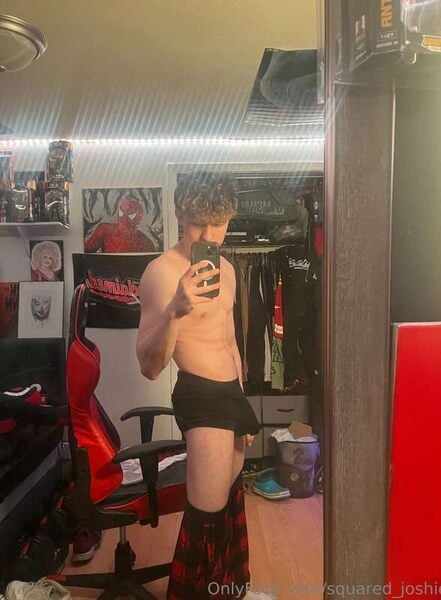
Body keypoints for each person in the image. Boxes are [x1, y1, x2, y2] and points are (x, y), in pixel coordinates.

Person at [137, 171, 261, 600]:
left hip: (230, 396)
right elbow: (149, 366)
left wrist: (242, 402)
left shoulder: (227, 269)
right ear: (178, 214)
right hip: (201, 395)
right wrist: (175, 308)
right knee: (206, 519)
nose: (208, 236)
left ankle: (228, 593)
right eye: (197, 224)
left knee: (228, 510)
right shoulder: (160, 272)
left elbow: (229, 341)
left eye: (218, 224)